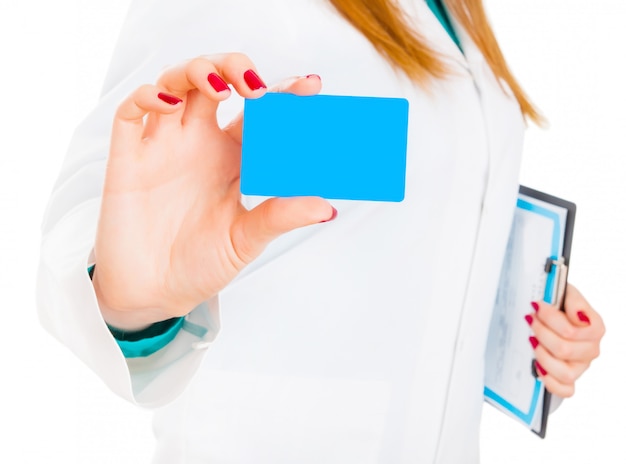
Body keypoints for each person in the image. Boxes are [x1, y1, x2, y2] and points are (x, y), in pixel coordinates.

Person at [36, 0, 605, 462]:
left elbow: (431, 202)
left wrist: (523, 306)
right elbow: (107, 211)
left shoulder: (459, 15)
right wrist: (133, 300)